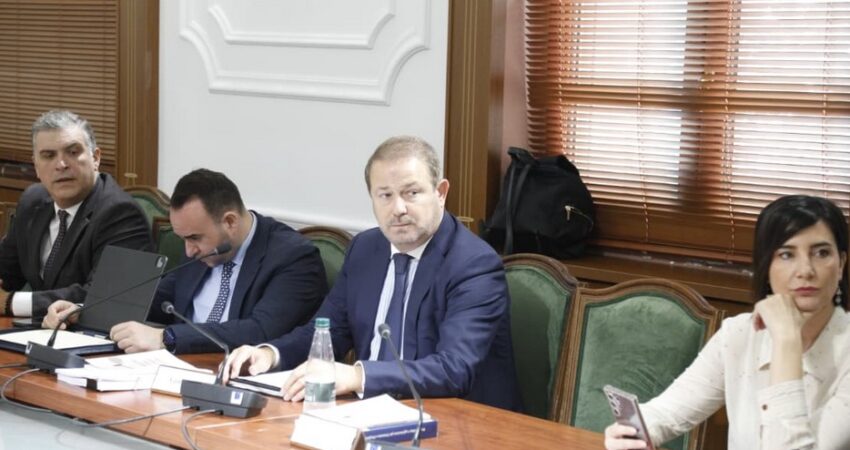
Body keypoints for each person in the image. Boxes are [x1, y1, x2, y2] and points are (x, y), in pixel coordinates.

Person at [222, 136, 522, 411]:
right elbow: (329, 331)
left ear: (441, 193)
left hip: (456, 421)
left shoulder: (473, 264)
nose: (398, 208)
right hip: (365, 412)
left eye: (411, 193)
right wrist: (270, 354)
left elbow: (453, 369)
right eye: (385, 195)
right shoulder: (365, 249)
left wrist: (357, 376)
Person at [604, 195, 850, 450]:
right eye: (787, 254)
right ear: (766, 267)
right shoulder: (740, 333)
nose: (806, 270)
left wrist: (787, 341)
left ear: (841, 264)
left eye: (821, 253)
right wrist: (635, 432)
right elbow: (667, 412)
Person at [43, 169, 328, 354]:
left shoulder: (293, 257)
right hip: (175, 368)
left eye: (194, 238)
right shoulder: (201, 250)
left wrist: (165, 337)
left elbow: (260, 330)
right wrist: (84, 310)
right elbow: (155, 296)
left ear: (229, 221)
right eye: (183, 239)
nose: (189, 251)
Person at [0, 110, 153, 319]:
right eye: (48, 156)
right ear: (35, 166)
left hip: (94, 335)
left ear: (95, 158)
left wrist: (11, 303)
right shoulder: (32, 201)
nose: (61, 165)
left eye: (72, 152)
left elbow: (105, 296)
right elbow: (6, 270)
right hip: (40, 329)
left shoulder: (121, 214)